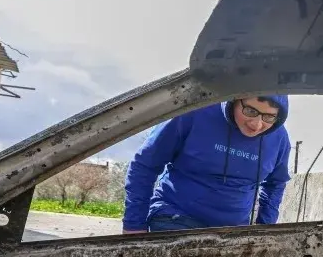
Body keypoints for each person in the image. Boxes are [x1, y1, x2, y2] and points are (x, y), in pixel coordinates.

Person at [122, 95, 292, 233]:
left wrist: (264, 228)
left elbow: (276, 184)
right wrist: (134, 224)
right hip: (176, 217)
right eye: (250, 111)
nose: (257, 124)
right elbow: (145, 165)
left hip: (233, 229)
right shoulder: (192, 113)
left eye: (269, 117)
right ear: (234, 99)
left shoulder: (279, 138)